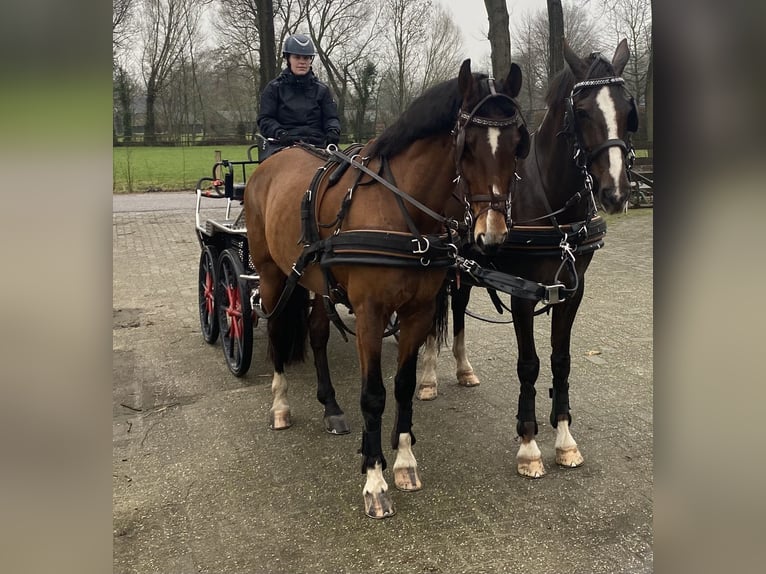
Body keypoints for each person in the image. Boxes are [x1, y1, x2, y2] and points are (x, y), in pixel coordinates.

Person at [257, 33, 341, 161]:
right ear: (288, 59)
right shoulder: (274, 89)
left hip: (319, 145)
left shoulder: (322, 90)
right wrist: (280, 133)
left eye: (306, 58)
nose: (302, 62)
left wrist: (333, 130)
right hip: (284, 145)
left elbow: (331, 118)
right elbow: (265, 119)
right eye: (297, 57)